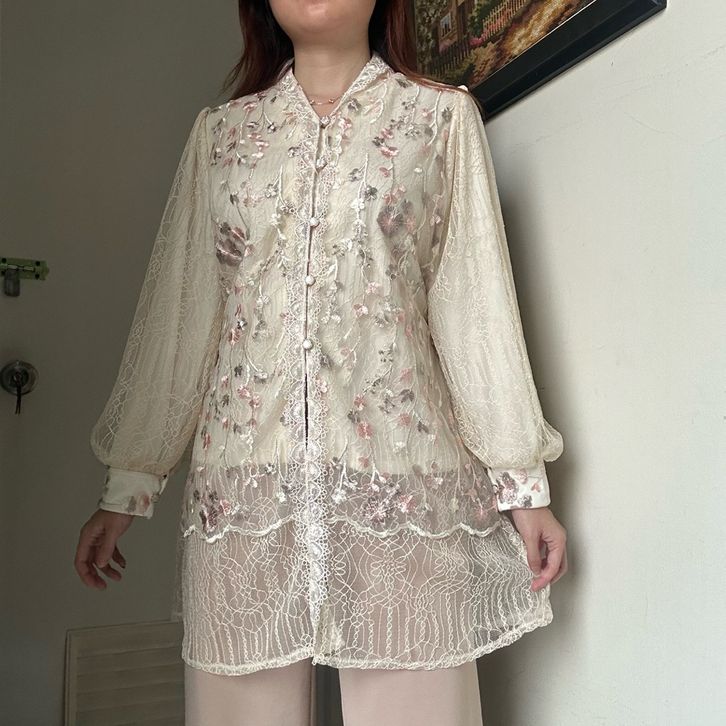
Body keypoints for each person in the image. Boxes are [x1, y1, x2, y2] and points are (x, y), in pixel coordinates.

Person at [74, 1, 568, 723]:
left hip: (403, 488)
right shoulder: (222, 136)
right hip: (246, 493)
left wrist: (523, 485)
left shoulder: (439, 120)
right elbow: (183, 316)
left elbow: (473, 305)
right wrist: (128, 484)